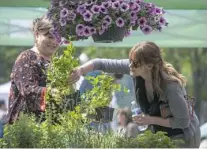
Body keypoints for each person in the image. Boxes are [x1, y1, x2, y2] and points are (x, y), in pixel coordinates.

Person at [70, 41, 200, 148]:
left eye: (135, 63)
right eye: (130, 60)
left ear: (149, 66)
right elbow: (101, 63)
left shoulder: (171, 87)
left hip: (182, 137)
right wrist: (80, 70)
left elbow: (183, 122)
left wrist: (150, 120)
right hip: (159, 134)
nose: (130, 65)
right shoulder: (135, 69)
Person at [6, 16, 76, 124]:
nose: (54, 41)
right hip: (27, 128)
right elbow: (27, 89)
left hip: (52, 129)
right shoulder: (27, 57)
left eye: (58, 38)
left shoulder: (57, 63)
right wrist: (52, 92)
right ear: (37, 34)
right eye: (49, 37)